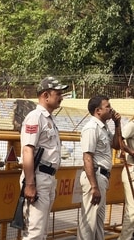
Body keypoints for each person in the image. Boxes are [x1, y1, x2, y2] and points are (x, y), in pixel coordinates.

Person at [19, 76, 68, 239]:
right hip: (38, 177)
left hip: (47, 177)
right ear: (46, 95)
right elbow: (27, 150)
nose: (61, 97)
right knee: (34, 231)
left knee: (42, 231)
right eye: (58, 93)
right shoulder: (35, 117)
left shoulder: (49, 119)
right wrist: (30, 184)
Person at [77, 95, 121, 240]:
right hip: (95, 177)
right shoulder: (91, 128)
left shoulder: (103, 127)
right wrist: (94, 187)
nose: (111, 109)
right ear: (98, 110)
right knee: (88, 223)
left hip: (102, 177)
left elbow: (116, 145)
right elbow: (87, 157)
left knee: (98, 223)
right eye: (107, 106)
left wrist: (117, 124)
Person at [120, 119, 134, 240]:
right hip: (132, 171)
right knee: (132, 210)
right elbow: (118, 139)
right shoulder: (131, 125)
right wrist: (131, 152)